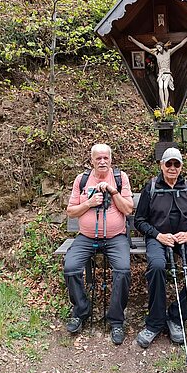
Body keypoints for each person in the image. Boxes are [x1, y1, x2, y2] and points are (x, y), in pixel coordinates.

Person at [134, 147, 187, 348]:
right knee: (157, 266)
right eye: (169, 163)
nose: (172, 168)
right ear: (161, 165)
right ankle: (155, 322)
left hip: (185, 236)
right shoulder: (150, 188)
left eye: (176, 164)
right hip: (159, 237)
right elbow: (139, 220)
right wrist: (157, 235)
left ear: (181, 166)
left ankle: (176, 317)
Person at [64, 144, 133, 344]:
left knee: (122, 270)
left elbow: (128, 209)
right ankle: (80, 311)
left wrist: (113, 192)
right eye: (98, 158)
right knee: (70, 268)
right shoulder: (82, 180)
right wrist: (89, 203)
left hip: (115, 237)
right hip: (86, 236)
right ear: (91, 160)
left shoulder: (121, 178)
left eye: (105, 158)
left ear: (111, 159)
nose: (102, 161)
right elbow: (71, 211)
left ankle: (116, 320)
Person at [128, 31, 187, 111]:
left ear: (163, 47)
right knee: (160, 87)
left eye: (159, 48)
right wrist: (132, 40)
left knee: (165, 87)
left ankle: (166, 105)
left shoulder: (168, 52)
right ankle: (163, 105)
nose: (158, 49)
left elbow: (180, 45)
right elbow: (143, 47)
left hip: (167, 73)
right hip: (160, 74)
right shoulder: (156, 54)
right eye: (157, 48)